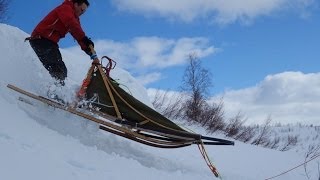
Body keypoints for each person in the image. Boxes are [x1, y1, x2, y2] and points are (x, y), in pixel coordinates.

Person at [26, 0, 99, 87]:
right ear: (75, 4)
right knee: (58, 69)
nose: (82, 13)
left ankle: (55, 91)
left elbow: (77, 33)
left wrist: (88, 49)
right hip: (41, 39)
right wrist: (84, 39)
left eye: (84, 11)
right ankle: (55, 93)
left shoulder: (75, 18)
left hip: (48, 42)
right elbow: (72, 24)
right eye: (81, 9)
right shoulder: (65, 8)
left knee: (61, 70)